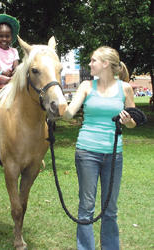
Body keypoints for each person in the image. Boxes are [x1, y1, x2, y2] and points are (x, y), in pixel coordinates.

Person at [63, 46, 136, 250]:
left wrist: (128, 120)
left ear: (105, 64)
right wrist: (56, 105)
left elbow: (133, 123)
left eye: (93, 60)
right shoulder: (86, 86)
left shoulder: (125, 88)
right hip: (87, 152)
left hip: (114, 154)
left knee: (110, 208)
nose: (90, 64)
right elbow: (69, 114)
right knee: (86, 207)